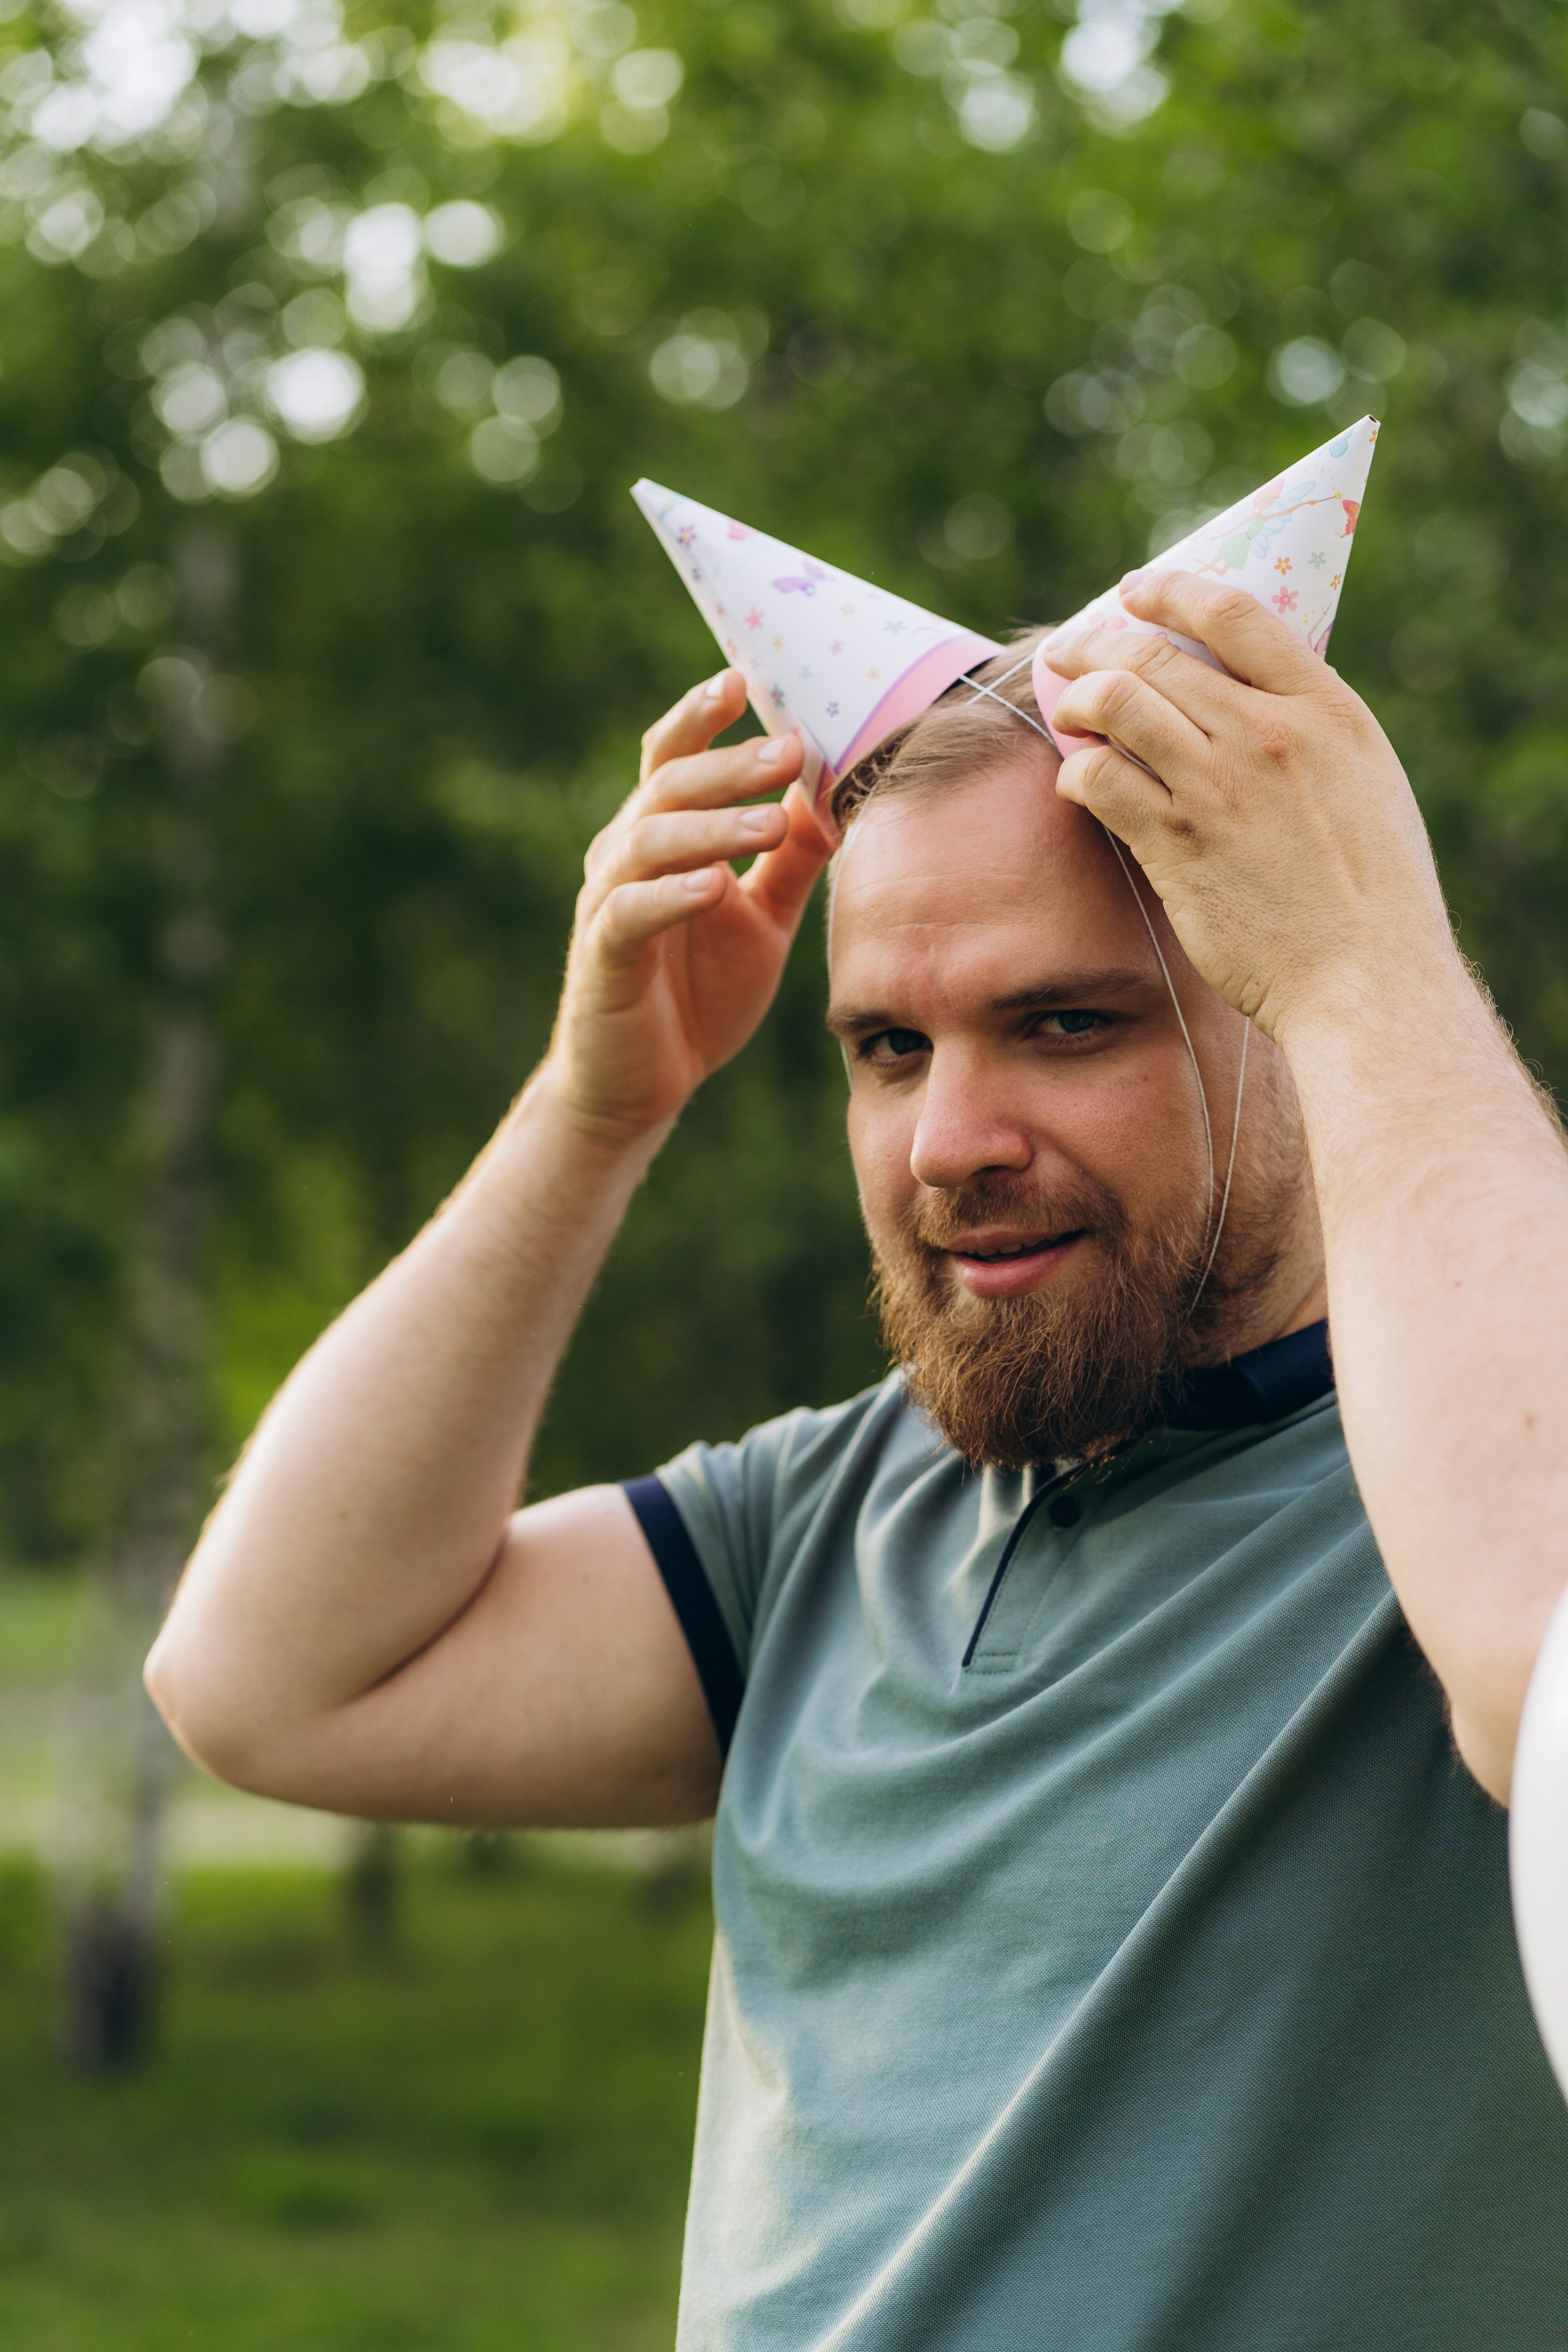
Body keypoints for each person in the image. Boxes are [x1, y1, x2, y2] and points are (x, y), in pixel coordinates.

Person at [145, 571, 1568, 2347]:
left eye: (1068, 1023)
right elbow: (268, 1681)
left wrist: (1374, 964)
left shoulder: (1467, 1511)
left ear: (1278, 1002)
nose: (948, 1145)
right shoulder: (830, 1516)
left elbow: (1545, 1676)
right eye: (891, 1049)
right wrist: (599, 1112)